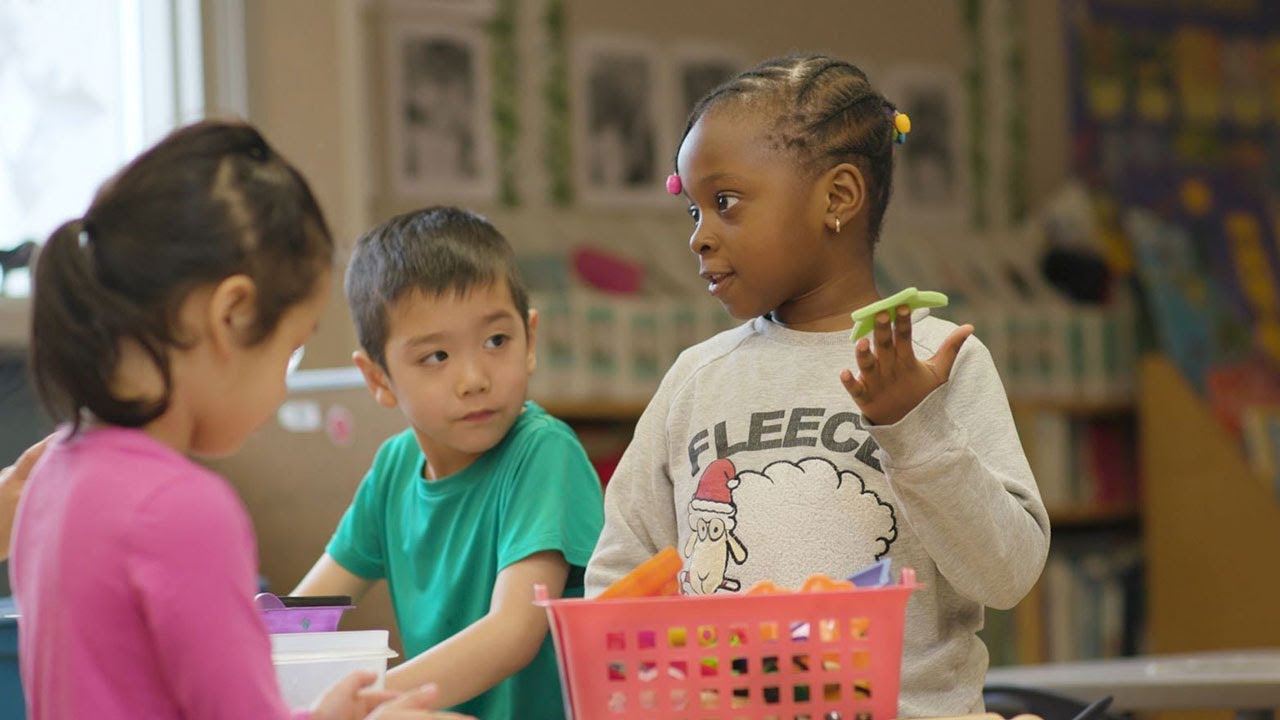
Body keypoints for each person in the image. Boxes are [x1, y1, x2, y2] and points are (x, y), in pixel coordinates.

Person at [585, 53, 1050, 716]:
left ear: (837, 198)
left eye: (725, 203)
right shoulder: (694, 380)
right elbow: (619, 580)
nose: (699, 238)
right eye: (693, 212)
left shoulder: (936, 361)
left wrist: (913, 430)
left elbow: (1007, 576)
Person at [10, 120, 465, 720]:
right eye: (290, 351)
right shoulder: (183, 509)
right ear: (232, 315)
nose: (282, 387)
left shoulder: (50, 477)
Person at [292, 206, 604, 719]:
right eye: (436, 356)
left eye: (496, 341)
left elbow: (512, 633)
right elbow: (308, 611)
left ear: (529, 340)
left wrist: (366, 702)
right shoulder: (394, 468)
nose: (474, 379)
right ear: (378, 379)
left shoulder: (544, 453)